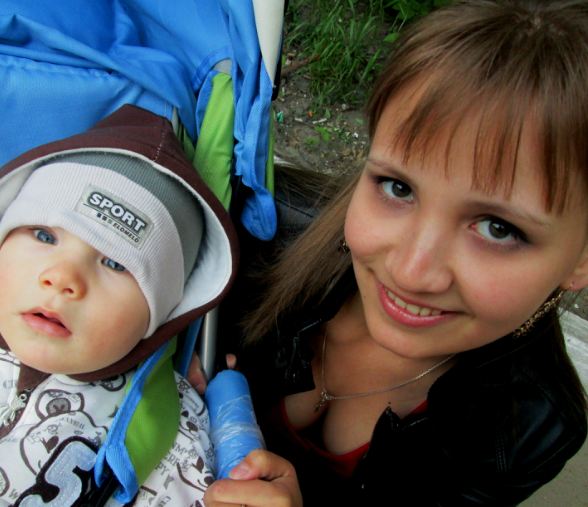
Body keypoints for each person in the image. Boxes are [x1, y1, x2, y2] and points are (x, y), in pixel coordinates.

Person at [202, 0, 588, 505]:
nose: (410, 271)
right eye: (398, 188)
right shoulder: (252, 232)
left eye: (498, 229)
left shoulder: (531, 433)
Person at [0, 104, 238, 506]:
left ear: (160, 318)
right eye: (44, 236)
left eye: (115, 263)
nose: (63, 277)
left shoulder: (171, 431)